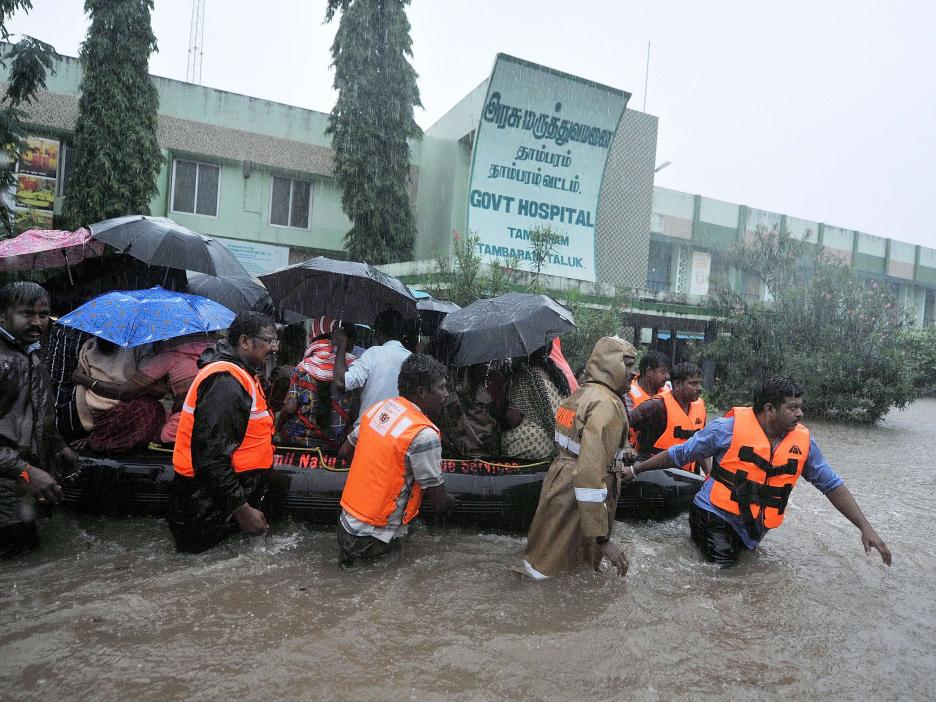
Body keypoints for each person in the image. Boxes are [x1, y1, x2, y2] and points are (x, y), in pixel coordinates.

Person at [627, 376, 892, 567]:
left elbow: (831, 485)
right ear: (769, 410)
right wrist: (636, 469)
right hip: (713, 516)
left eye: (800, 406)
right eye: (792, 407)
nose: (800, 414)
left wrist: (865, 527)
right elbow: (680, 453)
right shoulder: (725, 429)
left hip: (753, 526)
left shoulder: (804, 444)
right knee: (724, 581)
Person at [521, 336, 636, 579]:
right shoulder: (606, 404)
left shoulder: (580, 394)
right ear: (609, 364)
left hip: (560, 482)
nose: (632, 373)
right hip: (580, 497)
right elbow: (589, 472)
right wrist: (602, 538)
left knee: (545, 553)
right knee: (568, 567)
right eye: (627, 365)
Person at [166, 312, 277, 553]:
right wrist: (242, 510)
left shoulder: (243, 374)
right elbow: (211, 455)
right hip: (206, 502)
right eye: (268, 340)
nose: (274, 348)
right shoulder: (226, 382)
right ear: (245, 342)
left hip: (222, 498)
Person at [336, 353, 454, 567]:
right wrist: (453, 502)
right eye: (442, 388)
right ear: (422, 393)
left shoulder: (381, 409)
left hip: (346, 527)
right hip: (373, 539)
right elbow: (438, 502)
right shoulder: (423, 435)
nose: (446, 394)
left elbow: (345, 451)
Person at [0, 282, 78, 558]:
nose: (37, 322)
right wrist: (26, 471)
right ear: (3, 315)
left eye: (43, 314)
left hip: (21, 489)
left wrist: (58, 445)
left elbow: (32, 411)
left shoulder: (29, 353)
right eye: (26, 314)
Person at [275, 317, 358, 449]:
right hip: (334, 444)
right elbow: (355, 410)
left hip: (300, 440)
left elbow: (290, 407)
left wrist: (277, 425)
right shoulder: (352, 367)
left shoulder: (304, 366)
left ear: (312, 336)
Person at [71, 336, 164, 452]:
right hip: (100, 414)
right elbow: (79, 381)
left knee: (151, 407)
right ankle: (100, 438)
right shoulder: (90, 345)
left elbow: (79, 378)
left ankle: (101, 438)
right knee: (152, 408)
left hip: (122, 407)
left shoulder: (141, 346)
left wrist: (84, 380)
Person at [333, 309, 411, 424]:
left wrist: (342, 344)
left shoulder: (373, 353)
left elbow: (341, 381)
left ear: (378, 332)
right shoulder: (412, 359)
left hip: (370, 429)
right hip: (400, 430)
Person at [628, 361, 707, 474]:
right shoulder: (656, 406)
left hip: (687, 479)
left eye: (700, 383)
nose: (699, 388)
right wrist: (626, 447)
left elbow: (702, 446)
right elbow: (622, 423)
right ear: (677, 384)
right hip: (654, 476)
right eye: (693, 384)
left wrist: (709, 476)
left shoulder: (700, 407)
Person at [501, 343, 571, 461]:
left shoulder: (526, 376)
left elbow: (514, 417)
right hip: (552, 448)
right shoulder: (558, 376)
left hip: (526, 446)